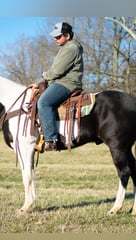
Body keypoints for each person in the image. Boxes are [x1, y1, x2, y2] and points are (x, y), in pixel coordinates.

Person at [30, 22, 84, 151]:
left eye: (58, 36)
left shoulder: (71, 48)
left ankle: (51, 139)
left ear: (67, 35)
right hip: (61, 81)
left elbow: (57, 71)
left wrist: (44, 76)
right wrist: (39, 82)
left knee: (44, 102)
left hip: (67, 83)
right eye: (54, 36)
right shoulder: (66, 48)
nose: (55, 39)